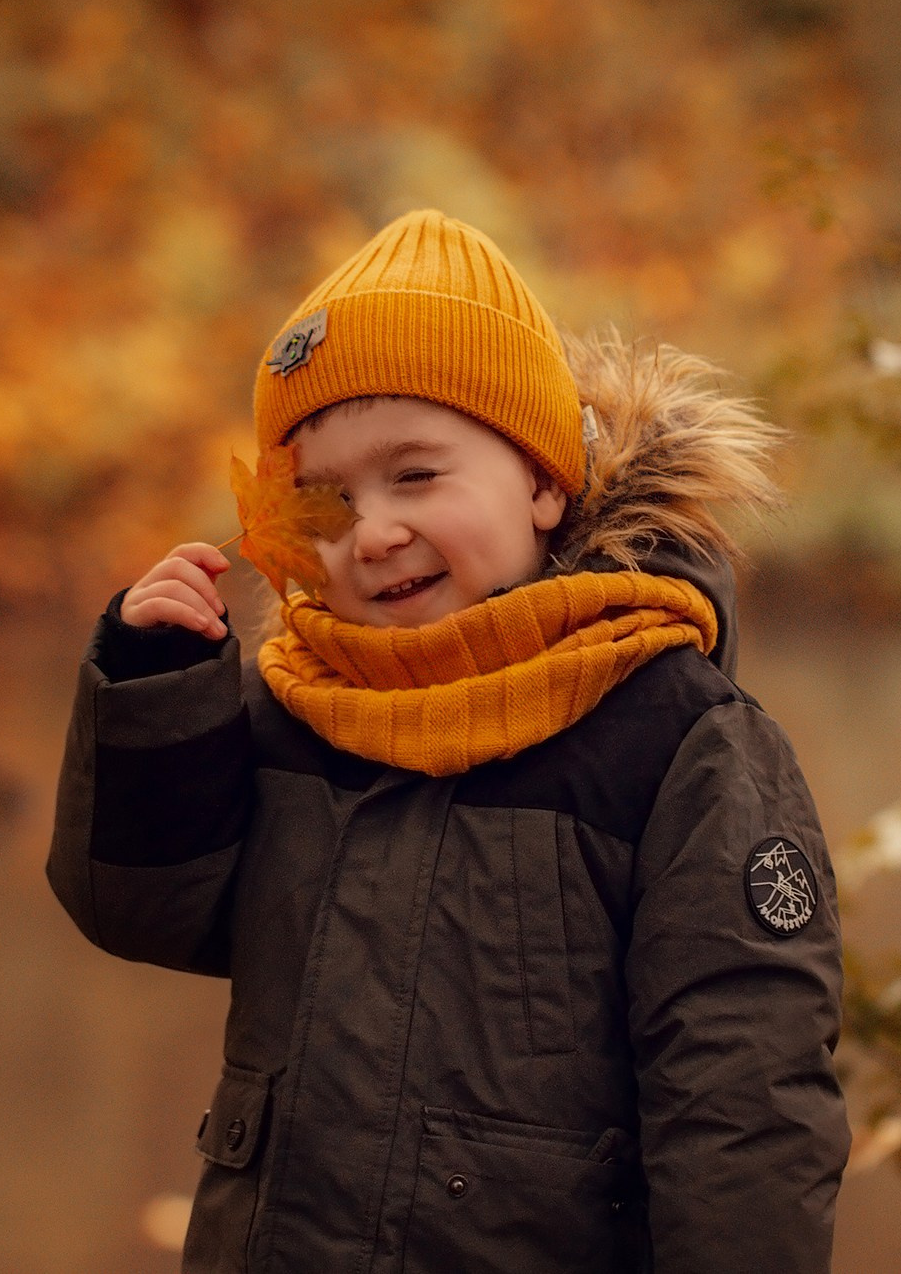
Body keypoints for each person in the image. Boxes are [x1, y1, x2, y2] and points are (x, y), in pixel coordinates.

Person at [48, 208, 849, 1274]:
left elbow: (744, 1098)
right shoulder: (291, 708)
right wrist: (155, 697)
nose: (372, 530)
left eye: (416, 476)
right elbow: (141, 908)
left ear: (540, 481)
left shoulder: (672, 738)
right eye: (324, 502)